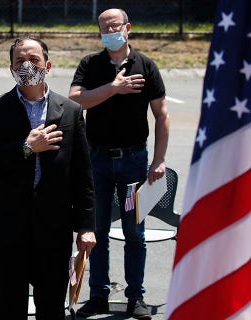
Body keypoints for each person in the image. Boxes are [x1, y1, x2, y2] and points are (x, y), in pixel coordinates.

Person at [0, 37, 96, 319]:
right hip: (8, 231)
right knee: (7, 309)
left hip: (54, 230)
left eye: (34, 60)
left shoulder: (71, 111)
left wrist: (86, 226)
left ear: (47, 66)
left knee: (51, 309)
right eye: (19, 61)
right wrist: (26, 147)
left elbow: (82, 175)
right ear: (11, 69)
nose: (27, 66)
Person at [68, 8, 169, 320]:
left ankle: (135, 297)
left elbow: (162, 115)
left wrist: (159, 160)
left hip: (134, 164)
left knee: (133, 232)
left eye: (115, 26)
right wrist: (113, 88)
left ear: (128, 28)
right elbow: (75, 99)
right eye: (104, 27)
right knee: (94, 230)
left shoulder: (146, 65)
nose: (110, 31)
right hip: (96, 160)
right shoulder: (91, 64)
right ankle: (97, 294)